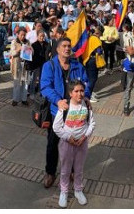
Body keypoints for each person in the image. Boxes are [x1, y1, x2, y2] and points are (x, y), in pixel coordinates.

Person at [39, 37, 90, 189]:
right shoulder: (50, 66)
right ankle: (50, 172)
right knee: (53, 144)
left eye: (69, 46)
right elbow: (45, 87)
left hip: (76, 112)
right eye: (64, 46)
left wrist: (85, 96)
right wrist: (57, 101)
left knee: (74, 143)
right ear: (58, 49)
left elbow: (86, 83)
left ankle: (73, 171)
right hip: (58, 112)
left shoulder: (78, 66)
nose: (67, 49)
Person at [53, 80, 95, 208]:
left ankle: (78, 190)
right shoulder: (65, 108)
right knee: (65, 170)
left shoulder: (86, 106)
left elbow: (92, 123)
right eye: (76, 91)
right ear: (70, 93)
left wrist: (85, 136)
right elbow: (56, 127)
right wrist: (67, 137)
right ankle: (64, 192)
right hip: (67, 144)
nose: (79, 94)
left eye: (82, 91)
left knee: (79, 169)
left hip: (82, 144)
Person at [10, 27, 30, 106]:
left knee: (25, 82)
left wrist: (28, 50)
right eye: (21, 35)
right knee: (16, 82)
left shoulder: (27, 42)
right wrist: (18, 50)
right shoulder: (14, 42)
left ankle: (24, 99)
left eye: (24, 35)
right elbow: (12, 53)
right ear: (17, 34)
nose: (23, 37)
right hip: (17, 64)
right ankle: (15, 99)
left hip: (25, 64)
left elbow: (31, 52)